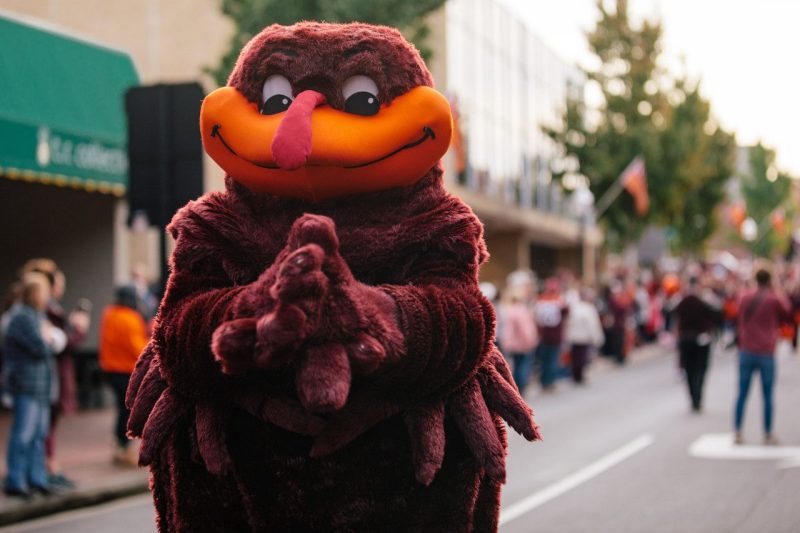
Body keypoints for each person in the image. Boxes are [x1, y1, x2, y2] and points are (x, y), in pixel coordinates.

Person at [2, 274, 57, 497]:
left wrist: (49, 337)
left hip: (41, 386)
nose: (47, 297)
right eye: (43, 292)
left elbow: (49, 343)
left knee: (38, 436)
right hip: (26, 385)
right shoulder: (21, 317)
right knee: (23, 435)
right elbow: (41, 347)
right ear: (34, 293)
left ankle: (37, 479)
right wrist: (49, 338)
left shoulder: (37, 316)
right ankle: (15, 480)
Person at [734, 268, 791, 445]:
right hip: (766, 351)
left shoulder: (745, 297)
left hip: (747, 349)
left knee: (742, 392)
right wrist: (779, 290)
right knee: (767, 395)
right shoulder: (774, 299)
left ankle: (738, 431)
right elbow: (787, 313)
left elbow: (737, 316)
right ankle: (767, 433)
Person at [98, 286, 149, 466]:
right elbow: (138, 348)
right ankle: (124, 446)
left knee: (121, 407)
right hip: (127, 370)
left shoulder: (109, 314)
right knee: (127, 409)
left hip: (110, 369)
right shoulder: (131, 318)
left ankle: (119, 445)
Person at [672, 277, 720, 412]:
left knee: (690, 370)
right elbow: (717, 314)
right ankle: (696, 398)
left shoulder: (683, 299)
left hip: (689, 338)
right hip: (696, 338)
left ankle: (694, 398)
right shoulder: (702, 299)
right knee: (699, 370)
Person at [499, 287, 538, 393]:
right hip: (523, 343)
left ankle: (516, 385)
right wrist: (531, 340)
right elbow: (526, 329)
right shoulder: (522, 311)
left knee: (516, 365)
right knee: (524, 365)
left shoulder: (509, 311)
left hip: (512, 344)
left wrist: (506, 342)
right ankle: (521, 386)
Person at [534, 278, 568, 392]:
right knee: (553, 360)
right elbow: (566, 312)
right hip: (555, 335)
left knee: (544, 360)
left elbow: (536, 318)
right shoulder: (559, 301)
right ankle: (550, 381)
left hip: (544, 335)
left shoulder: (540, 300)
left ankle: (544, 381)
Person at [564, 287, 605, 384]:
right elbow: (593, 324)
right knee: (580, 357)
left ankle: (576, 375)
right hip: (582, 337)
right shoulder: (587, 308)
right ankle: (579, 375)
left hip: (575, 337)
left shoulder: (575, 308)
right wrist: (597, 337)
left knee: (576, 357)